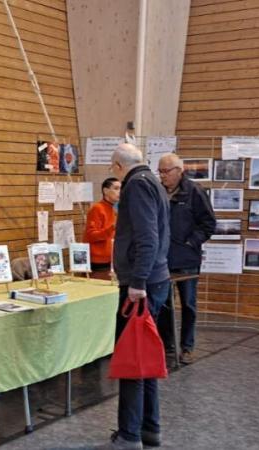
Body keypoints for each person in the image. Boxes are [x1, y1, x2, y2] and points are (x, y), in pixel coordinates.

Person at [109, 143, 170, 450]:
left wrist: (137, 282)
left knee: (132, 358)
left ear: (119, 167)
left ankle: (129, 435)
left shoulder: (136, 187)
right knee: (143, 357)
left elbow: (148, 238)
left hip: (141, 285)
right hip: (152, 280)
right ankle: (149, 429)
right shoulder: (155, 183)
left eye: (112, 168)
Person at [157, 153, 216, 364]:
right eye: (160, 171)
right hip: (162, 260)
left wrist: (191, 242)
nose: (162, 176)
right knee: (164, 305)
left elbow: (209, 224)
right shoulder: (158, 191)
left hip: (187, 260)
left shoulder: (195, 192)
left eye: (166, 171)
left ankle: (187, 347)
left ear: (179, 171)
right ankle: (168, 346)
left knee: (188, 304)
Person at [83, 177, 121, 275]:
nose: (120, 192)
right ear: (105, 190)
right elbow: (91, 235)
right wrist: (113, 227)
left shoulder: (114, 209)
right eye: (116, 188)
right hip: (98, 262)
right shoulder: (97, 209)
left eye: (121, 188)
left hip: (112, 259)